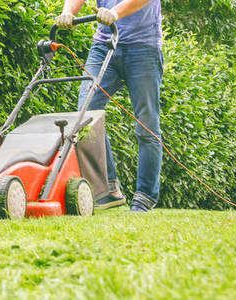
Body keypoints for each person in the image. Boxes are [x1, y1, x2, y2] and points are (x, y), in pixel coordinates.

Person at [55, 0, 164, 212]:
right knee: (85, 118)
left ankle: (145, 196)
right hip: (103, 45)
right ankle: (109, 188)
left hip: (143, 47)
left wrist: (114, 12)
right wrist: (68, 12)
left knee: (147, 124)